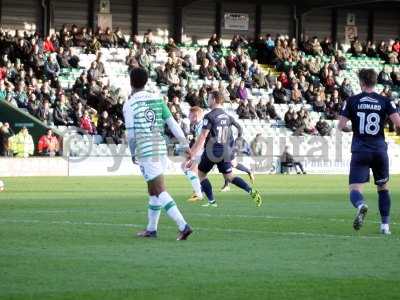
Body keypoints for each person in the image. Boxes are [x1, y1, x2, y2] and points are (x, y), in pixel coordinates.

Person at [123, 67, 192, 240]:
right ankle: (151, 229)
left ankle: (183, 226)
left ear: (131, 82)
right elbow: (173, 124)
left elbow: (131, 134)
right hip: (161, 148)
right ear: (146, 81)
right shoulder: (157, 99)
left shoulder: (129, 104)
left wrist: (133, 153)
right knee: (153, 190)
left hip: (146, 150)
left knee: (160, 189)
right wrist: (185, 143)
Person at [338, 68, 400, 235]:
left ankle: (360, 205)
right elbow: (398, 123)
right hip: (379, 150)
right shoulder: (386, 101)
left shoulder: (351, 101)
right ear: (375, 82)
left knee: (354, 189)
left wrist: (353, 128)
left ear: (361, 83)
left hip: (360, 150)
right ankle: (385, 226)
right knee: (383, 188)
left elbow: (341, 126)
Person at [187, 90, 262, 208]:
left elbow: (202, 136)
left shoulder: (209, 116)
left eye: (209, 98)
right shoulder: (227, 116)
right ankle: (251, 191)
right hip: (225, 151)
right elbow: (235, 129)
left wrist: (192, 154)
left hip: (212, 150)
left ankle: (212, 201)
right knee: (230, 177)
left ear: (214, 100)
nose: (208, 100)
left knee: (201, 175)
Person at [183, 106, 204, 203]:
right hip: (202, 151)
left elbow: (201, 143)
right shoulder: (197, 126)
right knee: (184, 167)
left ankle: (199, 193)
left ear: (195, 116)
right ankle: (198, 190)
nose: (188, 116)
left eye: (190, 115)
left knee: (191, 171)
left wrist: (192, 155)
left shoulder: (201, 126)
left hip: (206, 151)